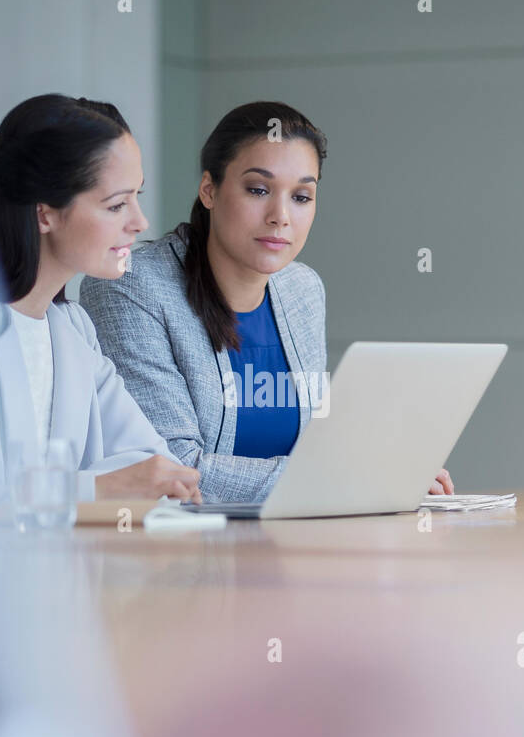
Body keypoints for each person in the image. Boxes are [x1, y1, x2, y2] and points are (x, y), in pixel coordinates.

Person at [81, 101, 454, 502]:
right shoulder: (131, 285)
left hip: (292, 545)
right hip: (181, 553)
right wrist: (347, 481)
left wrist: (388, 468)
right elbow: (174, 471)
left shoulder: (303, 291)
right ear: (209, 189)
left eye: (301, 196)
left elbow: (312, 449)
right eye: (258, 190)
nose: (280, 216)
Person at [0, 94, 202, 503]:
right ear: (44, 214)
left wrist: (111, 488)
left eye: (137, 196)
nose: (140, 222)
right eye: (116, 205)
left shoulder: (72, 328)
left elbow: (158, 468)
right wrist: (93, 489)